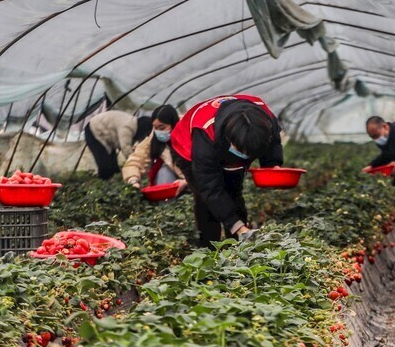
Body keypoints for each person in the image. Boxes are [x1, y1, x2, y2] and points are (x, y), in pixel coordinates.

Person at [170, 94, 283, 247]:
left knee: (234, 191)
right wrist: (235, 224)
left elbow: (273, 141)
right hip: (188, 149)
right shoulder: (205, 133)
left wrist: (272, 165)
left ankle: (238, 244)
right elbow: (210, 187)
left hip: (226, 145)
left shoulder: (266, 119)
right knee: (206, 200)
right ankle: (208, 248)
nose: (245, 157)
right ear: (229, 138)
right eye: (241, 151)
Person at [121, 105, 187, 193]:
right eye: (155, 128)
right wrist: (133, 180)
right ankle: (165, 203)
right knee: (164, 172)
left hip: (194, 182)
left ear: (173, 124)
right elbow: (136, 160)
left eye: (162, 127)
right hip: (175, 181)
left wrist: (186, 182)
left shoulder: (188, 134)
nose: (158, 131)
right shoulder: (153, 140)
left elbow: (202, 166)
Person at [84, 110, 152, 179]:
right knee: (105, 165)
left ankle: (112, 179)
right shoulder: (128, 127)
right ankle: (104, 182)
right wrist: (135, 167)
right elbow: (126, 149)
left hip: (106, 135)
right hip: (93, 131)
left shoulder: (134, 125)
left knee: (114, 166)